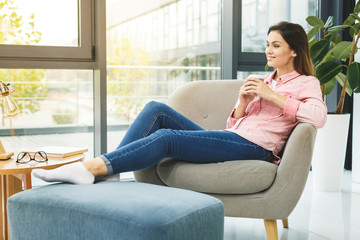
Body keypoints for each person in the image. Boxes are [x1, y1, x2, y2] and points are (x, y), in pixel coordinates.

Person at [32, 21, 327, 184]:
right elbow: (233, 124)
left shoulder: (305, 83)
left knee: (166, 138)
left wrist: (272, 96)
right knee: (155, 110)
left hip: (257, 149)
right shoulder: (265, 79)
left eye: (276, 45)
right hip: (235, 137)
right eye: (267, 44)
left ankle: (92, 167)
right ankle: (112, 171)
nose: (268, 50)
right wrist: (242, 101)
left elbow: (318, 117)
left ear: (294, 52)